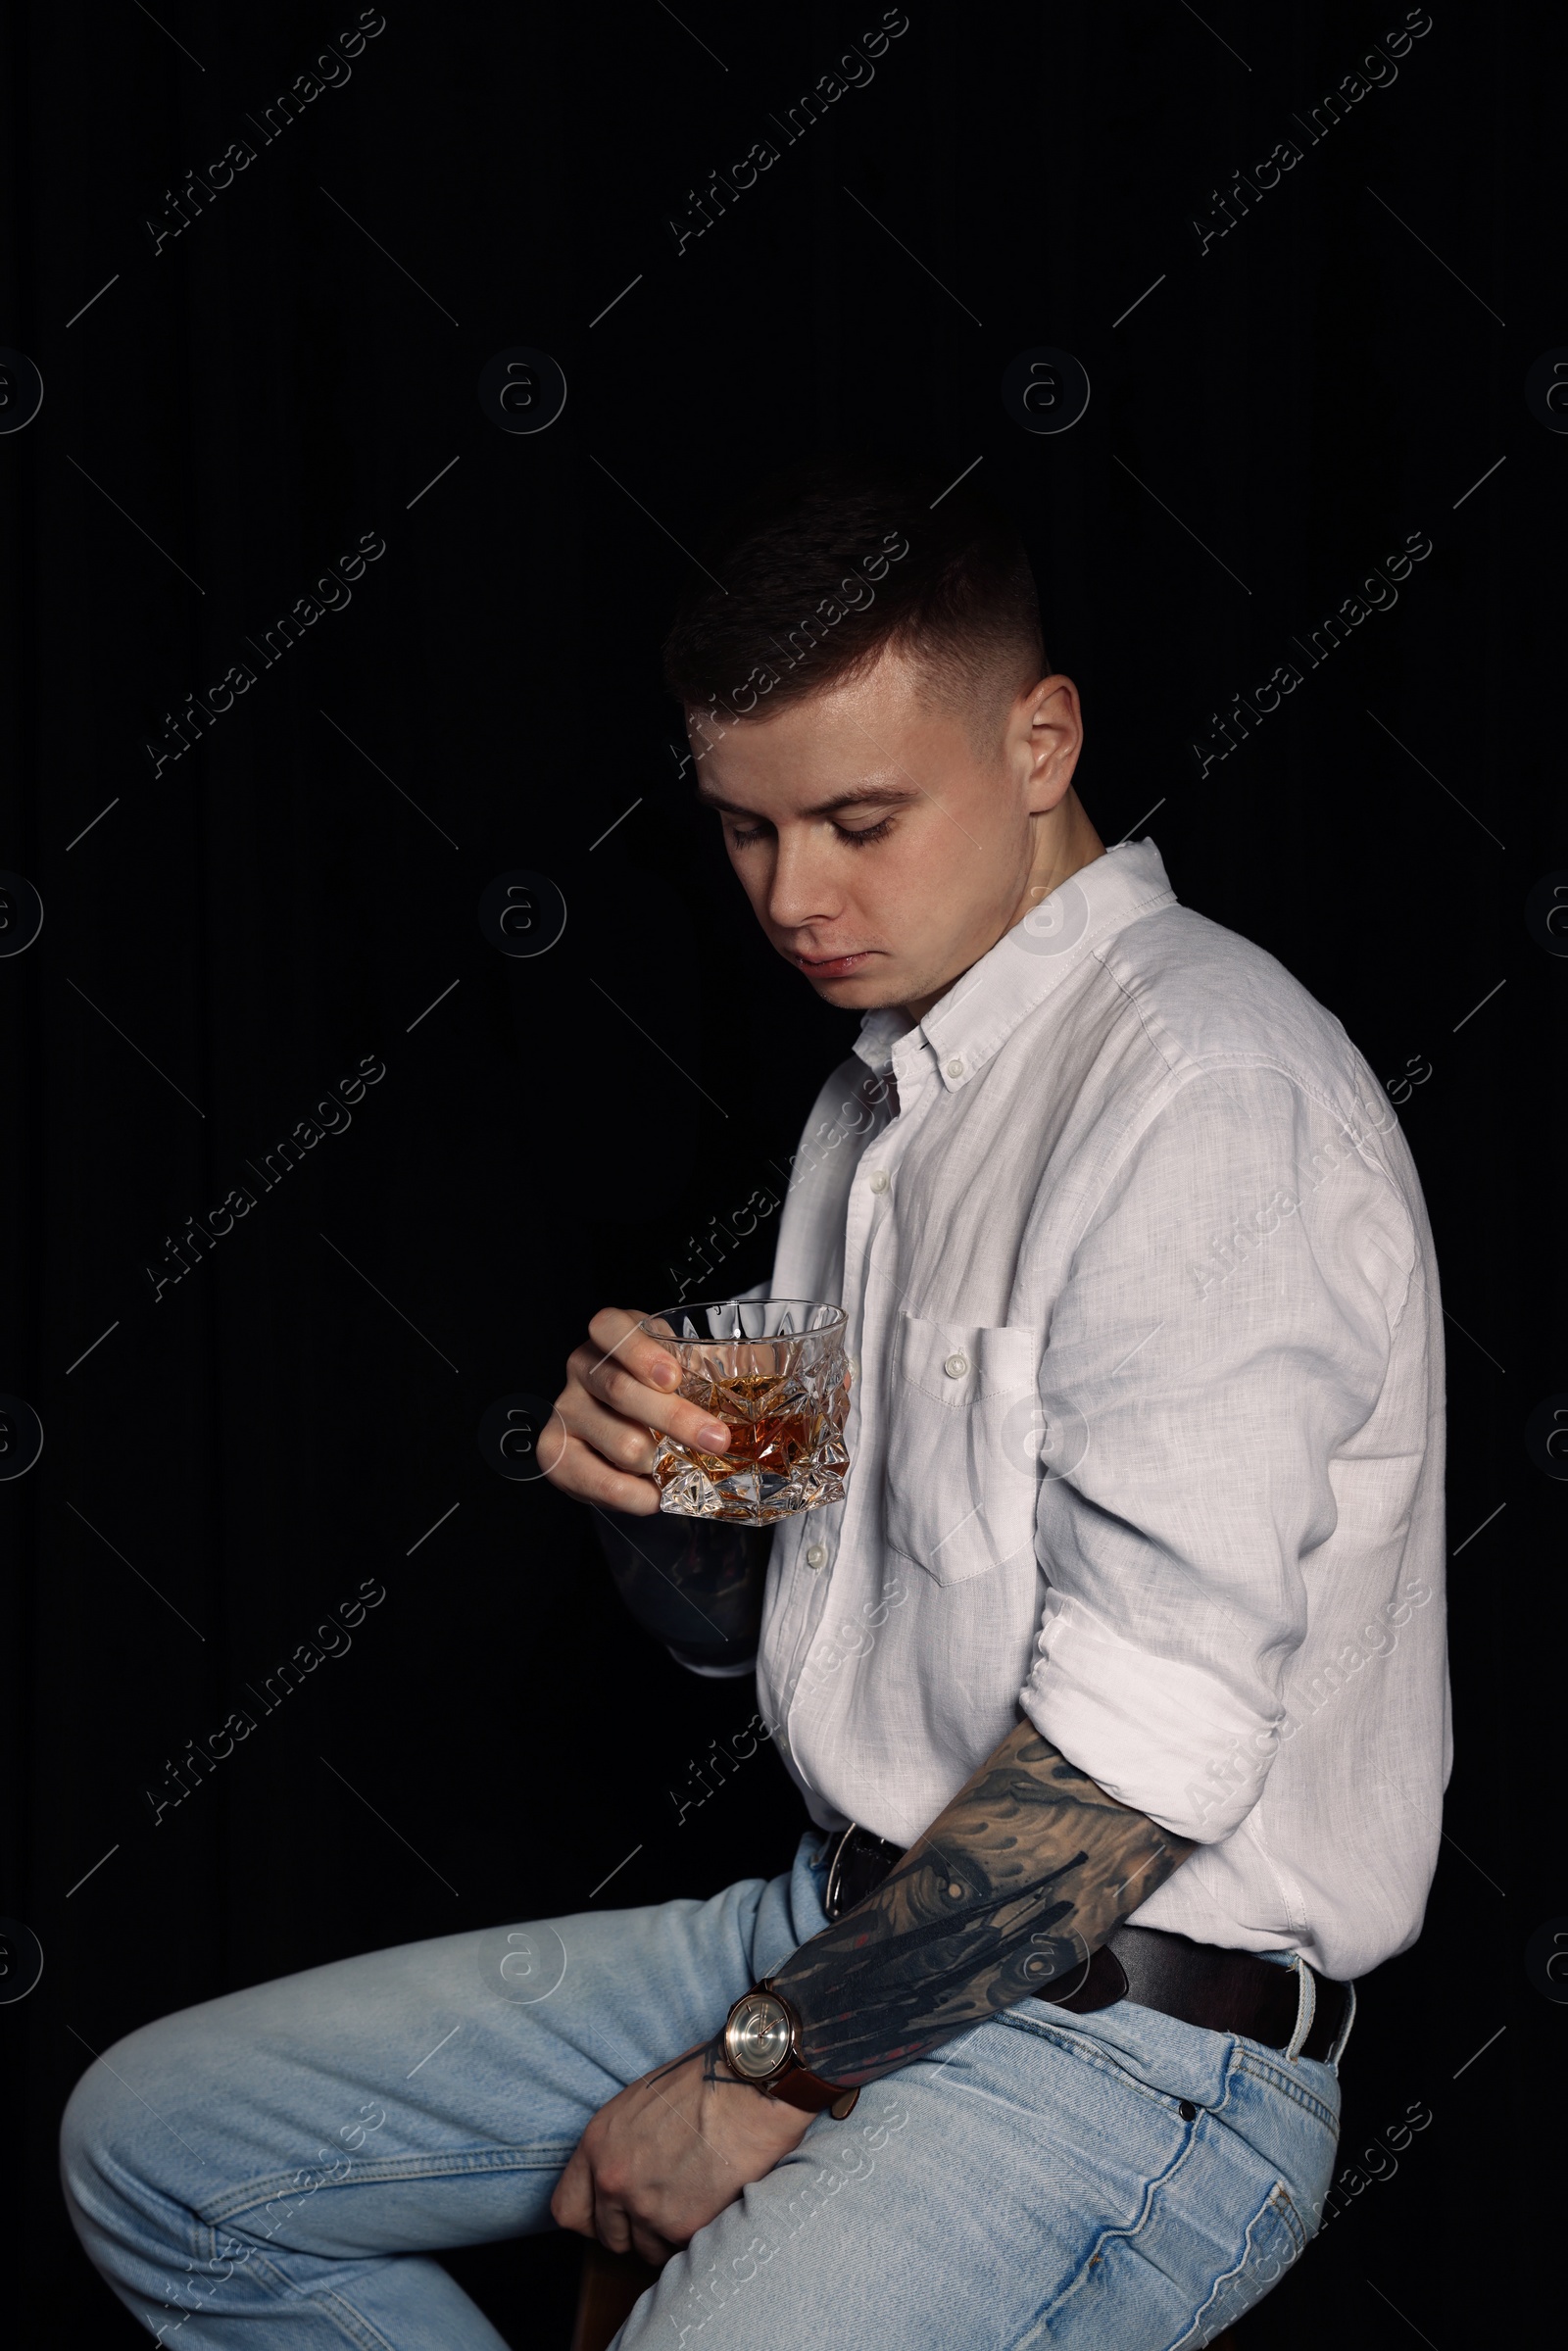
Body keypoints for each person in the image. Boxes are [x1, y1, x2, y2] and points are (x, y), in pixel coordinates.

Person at [61, 458, 1449, 2349]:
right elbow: (749, 1636)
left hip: (1124, 2046)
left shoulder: (1200, 1087)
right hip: (827, 1921)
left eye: (860, 820)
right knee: (163, 2152)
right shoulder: (881, 1100)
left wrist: (763, 2083)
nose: (798, 899)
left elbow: (1150, 1752)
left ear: (1042, 742)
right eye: (744, 832)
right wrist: (667, 1518)